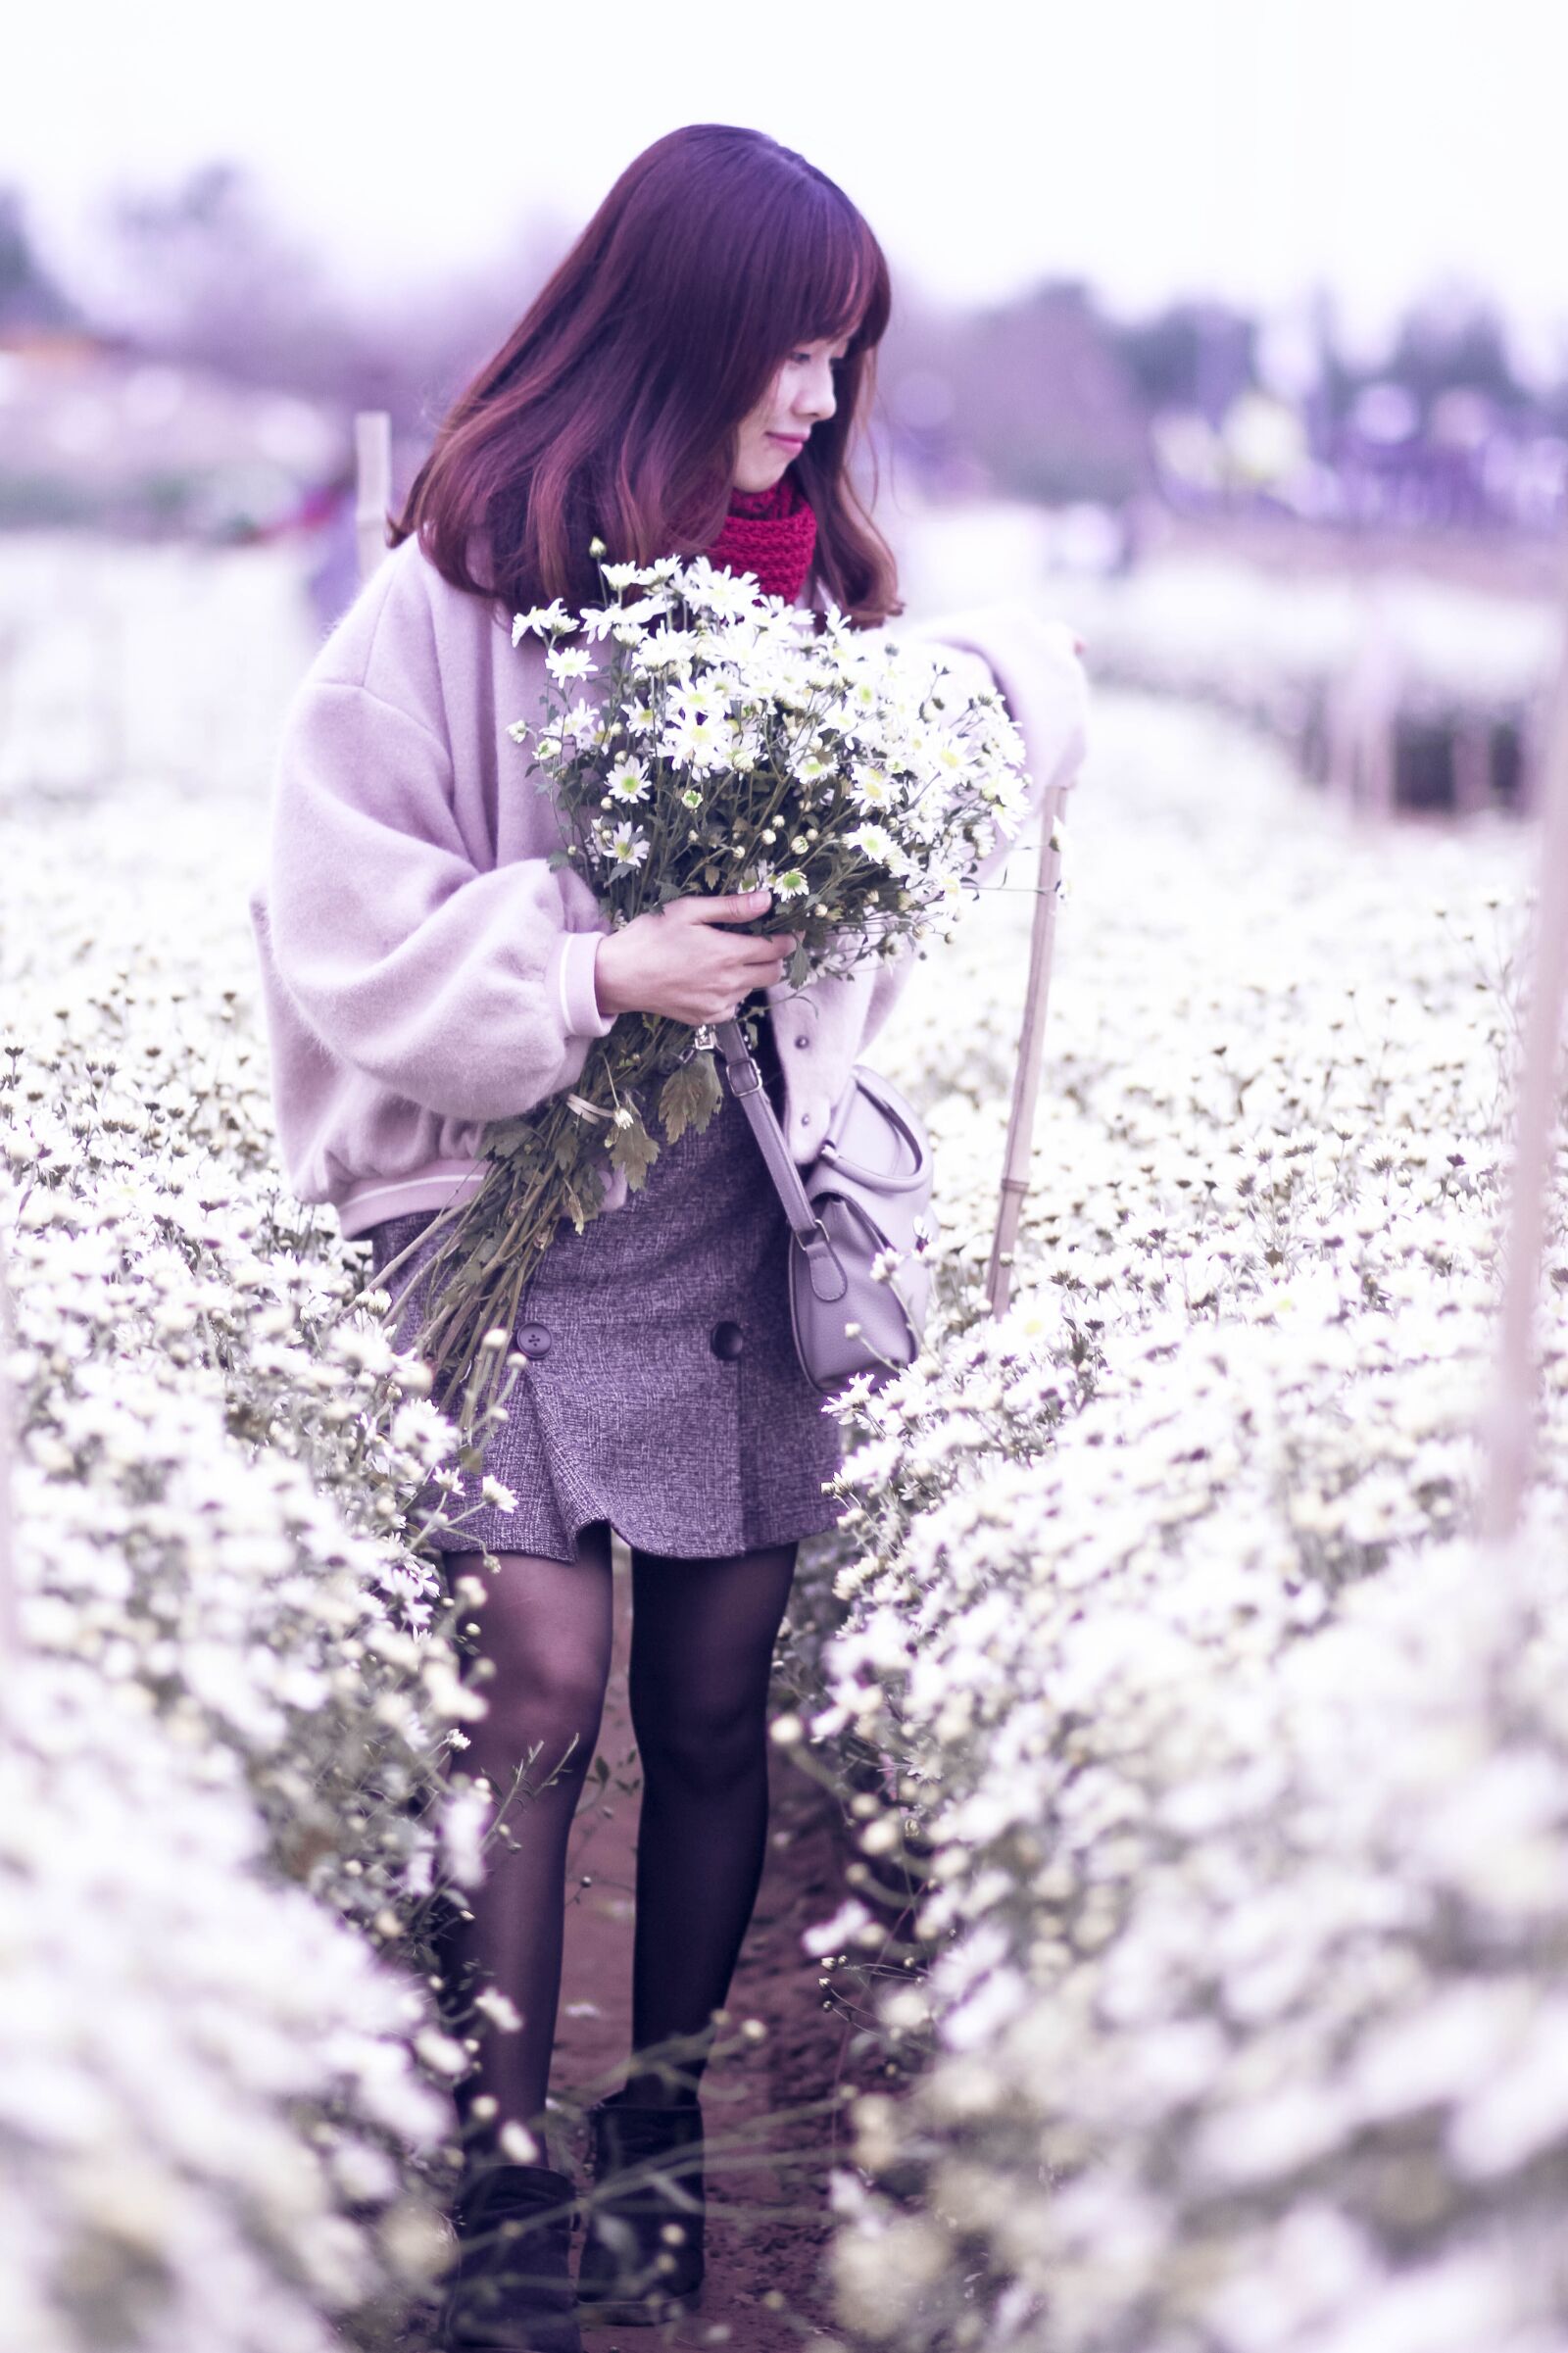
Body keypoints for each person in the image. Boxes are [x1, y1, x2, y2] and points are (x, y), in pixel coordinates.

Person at [248, 122, 1084, 2353]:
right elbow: (335, 913)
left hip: (730, 1220)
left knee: (713, 1710)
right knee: (529, 1682)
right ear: (675, 333)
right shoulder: (450, 593)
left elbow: (1019, 703)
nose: (815, 402)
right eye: (789, 352)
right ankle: (498, 2175)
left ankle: (655, 2150)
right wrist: (589, 971)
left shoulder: (819, 603)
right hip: (504, 1216)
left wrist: (944, 727)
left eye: (841, 360)